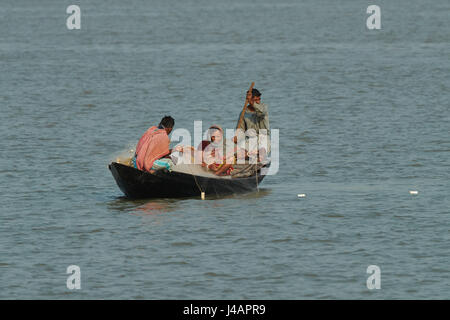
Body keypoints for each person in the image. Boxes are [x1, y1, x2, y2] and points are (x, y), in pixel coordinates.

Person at [234, 88, 270, 162]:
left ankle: (256, 155)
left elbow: (261, 112)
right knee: (238, 154)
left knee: (262, 154)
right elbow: (241, 130)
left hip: (263, 139)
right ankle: (251, 155)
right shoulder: (244, 113)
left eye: (259, 99)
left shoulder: (263, 107)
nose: (258, 102)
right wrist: (237, 137)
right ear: (249, 101)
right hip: (250, 140)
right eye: (256, 100)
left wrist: (253, 103)